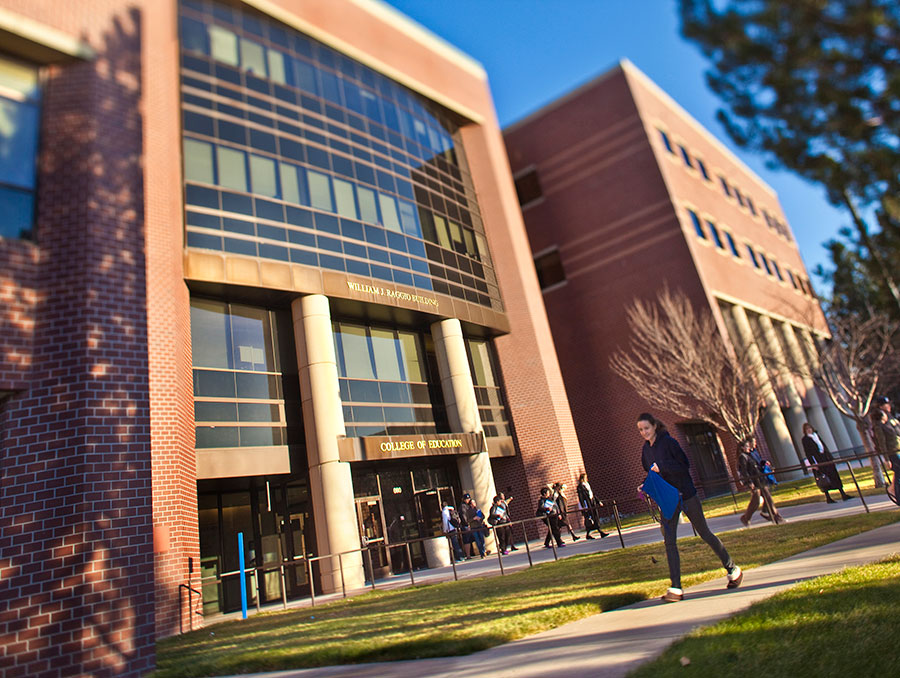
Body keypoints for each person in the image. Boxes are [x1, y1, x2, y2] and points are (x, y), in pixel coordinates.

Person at [637, 412, 742, 602]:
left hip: (686, 495)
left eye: (646, 428)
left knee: (705, 533)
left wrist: (662, 466)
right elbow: (651, 473)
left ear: (654, 426)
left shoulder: (669, 443)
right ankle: (676, 588)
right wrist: (645, 484)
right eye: (640, 430)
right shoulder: (646, 450)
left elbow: (684, 465)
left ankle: (732, 569)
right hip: (669, 500)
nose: (644, 432)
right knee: (669, 541)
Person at [737, 437, 785, 526]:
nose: (748, 447)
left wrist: (764, 464)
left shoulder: (750, 454)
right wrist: (749, 482)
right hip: (754, 481)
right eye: (746, 446)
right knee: (756, 501)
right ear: (742, 448)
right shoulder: (742, 457)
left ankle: (775, 516)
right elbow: (744, 471)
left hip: (760, 479)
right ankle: (746, 518)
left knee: (767, 497)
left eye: (748, 445)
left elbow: (758, 464)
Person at [801, 422, 852, 503]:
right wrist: (813, 463)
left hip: (826, 458)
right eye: (807, 429)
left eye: (810, 428)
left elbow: (824, 446)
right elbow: (807, 452)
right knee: (824, 478)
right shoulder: (805, 440)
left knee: (834, 475)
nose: (809, 430)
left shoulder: (816, 436)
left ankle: (843, 494)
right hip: (818, 460)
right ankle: (828, 497)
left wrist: (831, 458)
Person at [871, 407, 900, 502]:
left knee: (898, 474)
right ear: (881, 416)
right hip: (892, 453)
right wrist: (886, 459)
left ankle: (892, 489)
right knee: (898, 474)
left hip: (897, 450)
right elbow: (882, 443)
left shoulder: (887, 424)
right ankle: (896, 494)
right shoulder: (878, 427)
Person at [576, 472, 609, 539]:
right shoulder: (580, 486)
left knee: (594, 517)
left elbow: (592, 493)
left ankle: (590, 534)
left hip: (592, 502)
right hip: (587, 503)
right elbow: (581, 497)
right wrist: (583, 506)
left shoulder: (587, 484)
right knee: (591, 518)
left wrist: (598, 501)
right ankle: (600, 532)